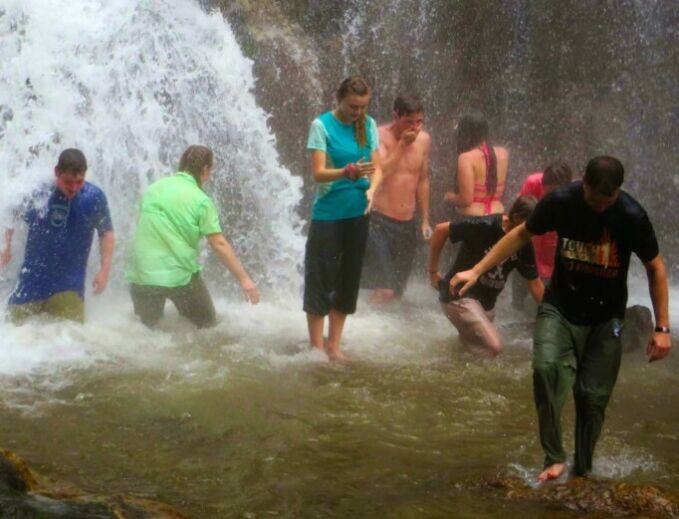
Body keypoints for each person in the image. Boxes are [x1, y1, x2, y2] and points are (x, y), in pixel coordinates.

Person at [450, 156, 671, 481]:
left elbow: (656, 267)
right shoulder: (561, 201)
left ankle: (582, 467)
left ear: (617, 193)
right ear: (584, 185)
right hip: (560, 306)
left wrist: (662, 327)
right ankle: (553, 457)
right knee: (545, 369)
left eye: (606, 202)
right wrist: (477, 269)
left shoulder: (631, 215)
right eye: (594, 199)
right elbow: (520, 235)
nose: (598, 208)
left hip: (606, 317)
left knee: (592, 398)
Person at [125, 145, 259, 328]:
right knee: (207, 327)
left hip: (141, 273)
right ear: (205, 169)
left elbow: (141, 223)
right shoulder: (200, 200)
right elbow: (218, 243)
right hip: (179, 274)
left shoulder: (152, 189)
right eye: (210, 170)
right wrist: (245, 279)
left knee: (146, 332)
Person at [304, 76, 383, 360]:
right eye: (353, 106)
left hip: (358, 214)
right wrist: (345, 172)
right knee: (321, 276)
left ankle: (334, 346)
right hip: (328, 215)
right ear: (339, 99)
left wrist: (373, 189)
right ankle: (315, 348)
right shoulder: (321, 125)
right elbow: (318, 173)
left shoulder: (369, 125)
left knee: (349, 279)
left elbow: (377, 168)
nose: (357, 112)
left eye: (362, 107)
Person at [1, 148, 114, 323]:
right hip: (29, 284)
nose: (74, 187)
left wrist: (104, 271)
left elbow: (106, 233)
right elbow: (11, 215)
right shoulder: (39, 194)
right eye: (68, 181)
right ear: (56, 172)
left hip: (68, 287)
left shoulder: (94, 198)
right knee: (12, 335)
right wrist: (5, 247)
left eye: (79, 181)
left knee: (70, 340)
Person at [429, 196, 544, 356]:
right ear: (517, 218)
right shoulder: (485, 225)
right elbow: (441, 230)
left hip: (486, 306)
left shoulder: (525, 245)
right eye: (531, 226)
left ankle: (444, 360)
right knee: (494, 347)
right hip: (458, 295)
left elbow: (535, 283)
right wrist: (433, 272)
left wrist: (554, 317)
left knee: (471, 350)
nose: (533, 233)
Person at [362, 94, 432, 305]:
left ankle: (385, 333)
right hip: (379, 221)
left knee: (398, 291)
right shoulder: (378, 136)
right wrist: (401, 145)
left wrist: (425, 219)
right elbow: (380, 171)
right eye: (409, 121)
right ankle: (367, 332)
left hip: (407, 223)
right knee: (385, 289)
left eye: (419, 121)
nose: (415, 127)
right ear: (396, 116)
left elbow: (423, 180)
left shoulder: (424, 140)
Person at [512, 160, 573, 309]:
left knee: (547, 277)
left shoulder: (573, 193)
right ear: (543, 184)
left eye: (555, 193)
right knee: (523, 264)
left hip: (551, 238)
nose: (550, 197)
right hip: (532, 232)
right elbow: (520, 214)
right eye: (548, 191)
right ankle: (517, 305)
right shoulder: (533, 183)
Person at [444, 112, 509, 216]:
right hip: (497, 216)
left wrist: (449, 197)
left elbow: (466, 200)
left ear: (465, 134)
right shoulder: (503, 153)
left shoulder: (466, 158)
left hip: (473, 220)